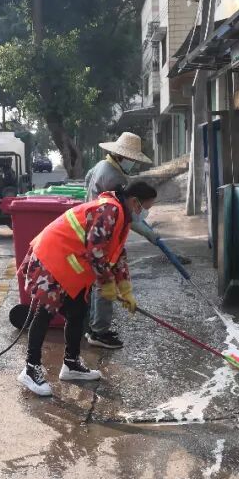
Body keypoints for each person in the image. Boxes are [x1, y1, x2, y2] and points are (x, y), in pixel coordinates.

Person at [18, 180, 159, 397]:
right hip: (52, 258)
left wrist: (125, 289)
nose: (144, 214)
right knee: (45, 312)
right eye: (145, 208)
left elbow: (117, 254)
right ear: (134, 202)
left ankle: (71, 364)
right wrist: (107, 283)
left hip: (68, 265)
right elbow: (96, 252)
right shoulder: (110, 210)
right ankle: (30, 368)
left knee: (77, 312)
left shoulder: (121, 217)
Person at [83, 132, 159, 350]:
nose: (132, 163)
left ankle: (94, 327)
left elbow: (87, 180)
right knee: (104, 279)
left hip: (94, 225)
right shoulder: (115, 180)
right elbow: (129, 215)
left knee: (99, 279)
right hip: (102, 232)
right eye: (132, 159)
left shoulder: (100, 166)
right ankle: (99, 331)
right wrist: (149, 234)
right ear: (121, 156)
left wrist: (126, 290)